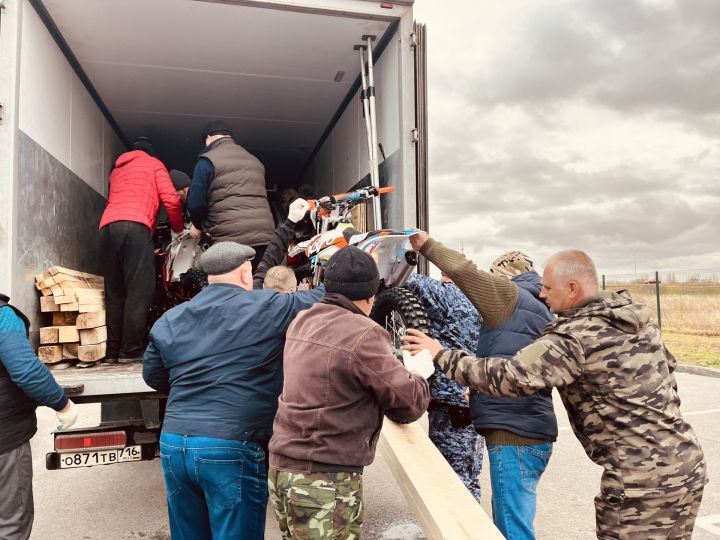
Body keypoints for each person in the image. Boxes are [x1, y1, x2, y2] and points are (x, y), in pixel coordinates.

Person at [403, 249, 707, 540]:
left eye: (548, 288)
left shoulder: (575, 338)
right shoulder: (637, 320)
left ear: (572, 288)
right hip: (686, 464)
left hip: (642, 482)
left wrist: (440, 353)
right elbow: (669, 372)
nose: (543, 294)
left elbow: (511, 376)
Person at [142, 242, 323, 540]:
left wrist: (192, 386)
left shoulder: (170, 320)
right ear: (244, 274)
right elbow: (324, 297)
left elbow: (153, 376)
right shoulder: (267, 306)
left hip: (174, 444)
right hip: (231, 445)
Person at [268, 247, 432, 539]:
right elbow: (410, 403)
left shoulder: (302, 321)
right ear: (371, 296)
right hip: (323, 478)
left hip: (283, 468)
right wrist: (419, 371)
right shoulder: (364, 332)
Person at [406, 235, 557, 539]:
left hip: (507, 429)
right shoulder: (542, 311)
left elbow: (455, 274)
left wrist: (423, 249)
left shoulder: (504, 297)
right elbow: (517, 367)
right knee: (480, 488)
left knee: (503, 522)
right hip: (513, 421)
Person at [99, 137, 184, 364]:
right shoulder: (154, 164)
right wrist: (177, 228)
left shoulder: (117, 170)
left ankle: (111, 353)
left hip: (107, 227)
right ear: (151, 152)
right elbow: (171, 199)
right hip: (136, 226)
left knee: (115, 293)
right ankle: (130, 352)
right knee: (140, 291)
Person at [0, 294, 78, 540]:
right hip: (4, 439)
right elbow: (25, 370)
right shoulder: (3, 317)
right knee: (10, 525)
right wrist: (62, 403)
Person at [404, 272, 484, 502]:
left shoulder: (448, 295)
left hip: (452, 403)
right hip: (470, 398)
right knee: (468, 472)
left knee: (452, 478)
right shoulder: (478, 299)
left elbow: (407, 278)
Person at [187, 121, 275, 270]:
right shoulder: (255, 161)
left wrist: (197, 225)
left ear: (208, 138)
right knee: (259, 286)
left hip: (230, 240)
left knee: (231, 289)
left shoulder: (207, 160)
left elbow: (195, 203)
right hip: (264, 238)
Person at [252, 197, 309, 292]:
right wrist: (290, 222)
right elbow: (269, 259)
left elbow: (269, 260)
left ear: (263, 286)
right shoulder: (297, 304)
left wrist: (290, 222)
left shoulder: (250, 296)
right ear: (291, 291)